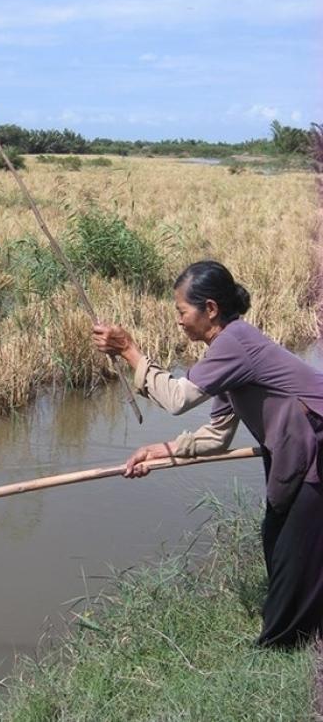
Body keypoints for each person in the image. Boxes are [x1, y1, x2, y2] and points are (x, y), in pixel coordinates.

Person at [92, 260, 323, 649]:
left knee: (294, 554)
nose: (179, 321)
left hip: (314, 445)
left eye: (183, 312)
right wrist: (162, 451)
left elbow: (178, 399)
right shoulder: (226, 351)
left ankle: (279, 648)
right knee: (279, 541)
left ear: (210, 309)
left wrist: (130, 351)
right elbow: (216, 434)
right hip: (293, 448)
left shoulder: (235, 343)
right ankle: (300, 634)